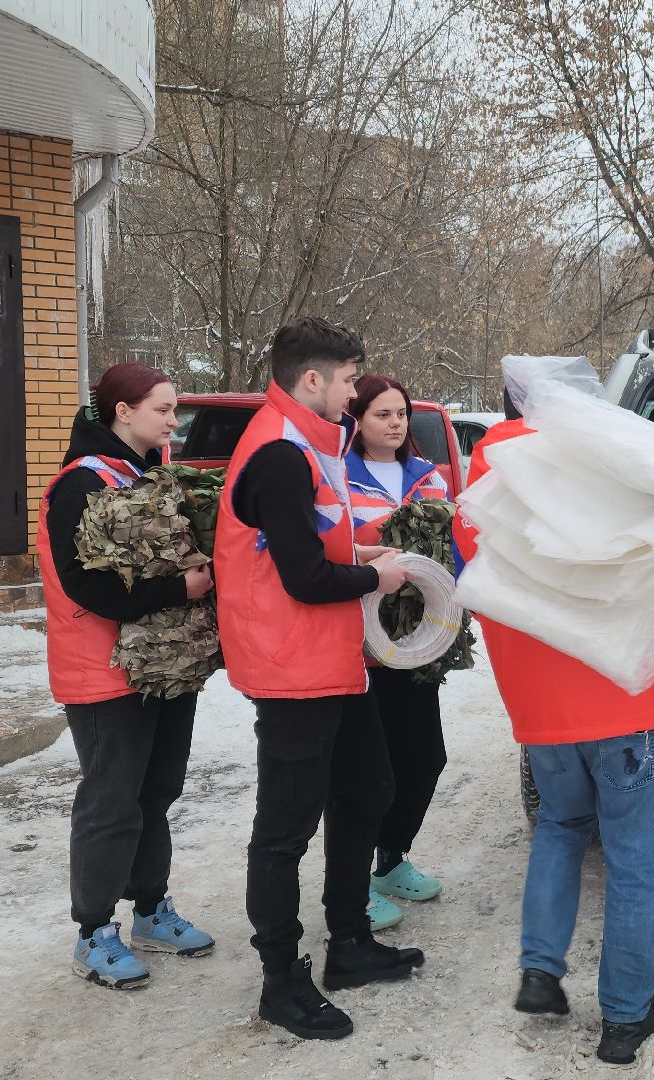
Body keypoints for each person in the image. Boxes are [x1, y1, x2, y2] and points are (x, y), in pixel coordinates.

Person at [452, 372, 654, 1067]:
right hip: (628, 701)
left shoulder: (478, 486)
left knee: (559, 828)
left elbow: (477, 581)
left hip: (542, 714)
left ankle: (541, 975)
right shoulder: (605, 464)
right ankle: (624, 1014)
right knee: (635, 863)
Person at [215, 316, 422, 1041]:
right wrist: (376, 573)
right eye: (347, 379)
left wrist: (362, 546)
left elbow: (308, 542)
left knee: (370, 789)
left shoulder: (308, 440)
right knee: (284, 831)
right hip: (292, 666)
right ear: (313, 379)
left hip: (332, 659)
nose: (354, 391)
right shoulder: (278, 451)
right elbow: (303, 577)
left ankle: (350, 943)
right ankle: (280, 981)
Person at [40, 362, 217, 990]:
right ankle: (93, 930)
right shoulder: (81, 486)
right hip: (105, 670)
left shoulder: (150, 476)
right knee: (111, 802)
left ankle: (149, 909)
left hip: (163, 664)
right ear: (123, 412)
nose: (174, 421)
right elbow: (82, 583)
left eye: (174, 410)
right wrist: (182, 586)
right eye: (164, 410)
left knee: (157, 791)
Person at [345, 374, 454, 933]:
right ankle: (353, 878)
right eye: (383, 414)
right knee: (370, 771)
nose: (396, 424)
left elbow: (454, 548)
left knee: (425, 757)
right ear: (357, 418)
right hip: (362, 652)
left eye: (402, 414)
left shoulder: (428, 479)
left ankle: (391, 858)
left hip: (419, 646)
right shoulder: (340, 478)